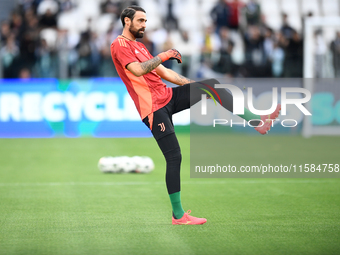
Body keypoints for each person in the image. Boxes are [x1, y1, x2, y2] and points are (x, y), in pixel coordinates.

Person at [111, 6, 281, 225]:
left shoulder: (140, 46)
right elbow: (137, 70)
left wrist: (199, 88)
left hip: (168, 97)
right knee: (174, 157)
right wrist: (164, 55)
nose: (145, 24)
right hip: (153, 109)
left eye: (146, 20)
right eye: (141, 20)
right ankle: (178, 215)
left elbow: (166, 73)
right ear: (127, 21)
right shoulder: (119, 45)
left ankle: (257, 121)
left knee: (212, 85)